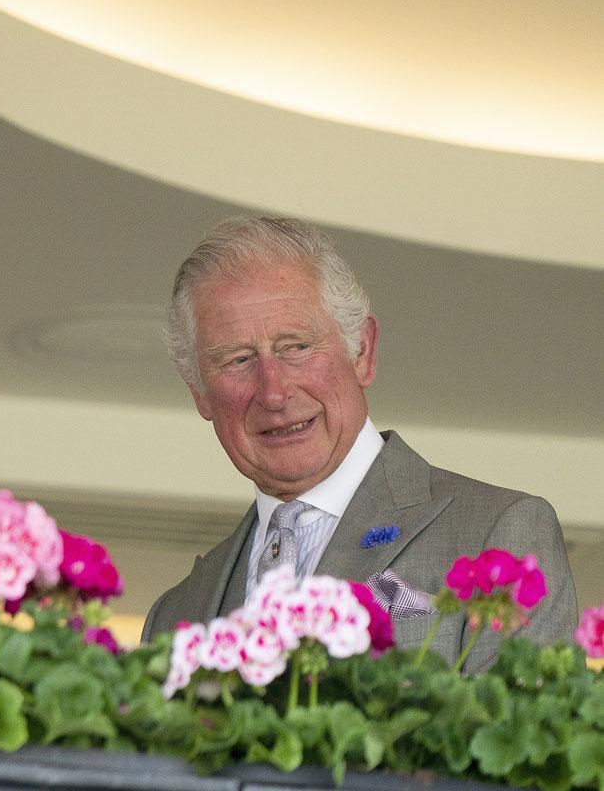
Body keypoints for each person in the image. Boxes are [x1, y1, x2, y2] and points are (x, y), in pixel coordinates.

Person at [142, 217, 577, 671]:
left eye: (297, 347)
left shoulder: (499, 532)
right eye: (237, 360)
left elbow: (528, 733)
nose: (273, 392)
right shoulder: (174, 616)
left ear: (363, 352)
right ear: (198, 392)